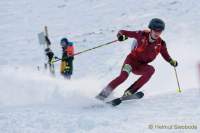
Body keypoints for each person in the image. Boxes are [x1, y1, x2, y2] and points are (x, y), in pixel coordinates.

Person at [96, 18, 178, 100]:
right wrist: (121, 36)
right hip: (131, 62)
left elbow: (165, 55)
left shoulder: (161, 43)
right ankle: (103, 95)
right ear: (151, 29)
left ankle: (130, 92)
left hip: (141, 67)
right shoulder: (141, 34)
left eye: (160, 31)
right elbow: (122, 32)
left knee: (151, 70)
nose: (157, 33)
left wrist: (171, 61)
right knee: (123, 76)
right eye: (155, 30)